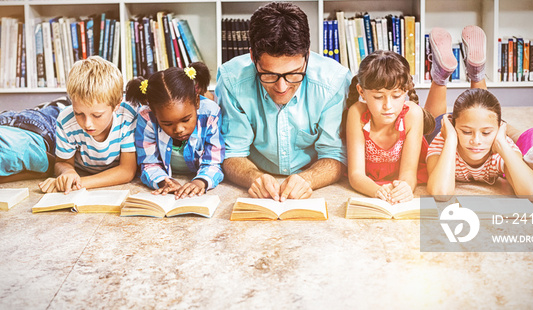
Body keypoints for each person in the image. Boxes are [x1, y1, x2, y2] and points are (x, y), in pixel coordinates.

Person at [216, 2, 352, 201]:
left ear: (307, 55)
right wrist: (253, 177)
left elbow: (335, 154)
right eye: (269, 74)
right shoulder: (231, 80)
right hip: (256, 177)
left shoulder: (334, 82)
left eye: (294, 74)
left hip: (317, 185)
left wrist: (309, 179)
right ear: (253, 57)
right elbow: (232, 152)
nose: (281, 87)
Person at [424, 26, 533, 199]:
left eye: (486, 133)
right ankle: (473, 73)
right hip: (444, 128)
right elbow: (441, 194)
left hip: (483, 123)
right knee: (428, 126)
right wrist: (450, 140)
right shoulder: (443, 141)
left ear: (500, 129)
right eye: (466, 131)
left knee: (481, 111)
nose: (476, 141)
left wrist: (502, 143)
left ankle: (445, 75)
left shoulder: (501, 145)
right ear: (453, 126)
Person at [345, 50, 435, 204]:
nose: (388, 105)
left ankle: (440, 78)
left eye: (396, 96)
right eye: (378, 97)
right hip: (371, 181)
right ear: (362, 92)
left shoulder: (413, 114)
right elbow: (356, 175)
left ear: (406, 91)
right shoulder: (356, 113)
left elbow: (408, 173)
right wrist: (376, 190)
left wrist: (405, 187)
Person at [39, 56, 137, 193]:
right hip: (82, 169)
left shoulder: (127, 116)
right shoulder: (66, 120)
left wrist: (79, 182)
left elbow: (127, 171)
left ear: (116, 105)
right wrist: (68, 173)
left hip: (89, 177)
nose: (87, 124)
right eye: (78, 113)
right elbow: (62, 162)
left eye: (97, 115)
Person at [131, 62, 225, 199]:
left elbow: (214, 161)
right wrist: (164, 181)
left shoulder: (210, 113)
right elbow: (148, 162)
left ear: (197, 102)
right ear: (155, 113)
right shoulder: (147, 117)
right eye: (167, 123)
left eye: (186, 120)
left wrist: (201, 181)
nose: (179, 130)